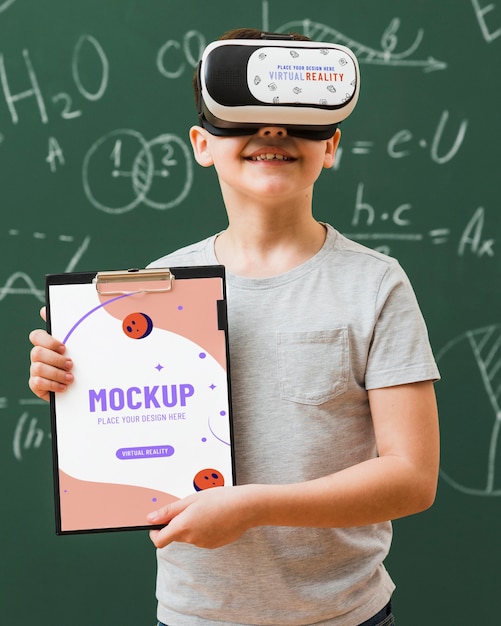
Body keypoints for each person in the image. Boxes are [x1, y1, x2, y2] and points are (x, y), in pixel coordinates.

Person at [29, 27, 439, 626]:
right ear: (202, 143)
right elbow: (119, 439)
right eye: (244, 117)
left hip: (346, 614)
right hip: (198, 613)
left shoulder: (376, 286)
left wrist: (253, 507)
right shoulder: (156, 290)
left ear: (331, 145)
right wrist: (70, 372)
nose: (272, 133)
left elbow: (411, 478)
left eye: (297, 119)